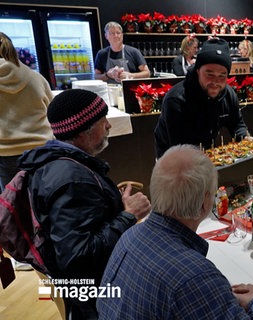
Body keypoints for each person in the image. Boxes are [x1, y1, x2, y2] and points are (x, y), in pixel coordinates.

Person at [97, 145, 253, 319]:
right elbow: (187, 287)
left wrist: (217, 296)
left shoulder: (128, 236)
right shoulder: (194, 279)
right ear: (203, 205)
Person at [18, 89, 152, 319]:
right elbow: (77, 259)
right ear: (82, 132)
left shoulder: (58, 162)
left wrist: (112, 206)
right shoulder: (72, 179)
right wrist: (128, 215)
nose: (109, 126)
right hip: (96, 299)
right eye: (103, 121)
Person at [154, 38, 253, 158]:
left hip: (203, 151)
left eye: (222, 76)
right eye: (209, 74)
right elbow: (180, 148)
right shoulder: (177, 99)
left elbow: (237, 123)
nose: (215, 82)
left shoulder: (228, 94)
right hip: (172, 156)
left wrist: (244, 137)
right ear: (197, 71)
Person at [0, 32, 53, 193]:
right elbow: (52, 111)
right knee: (45, 201)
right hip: (42, 150)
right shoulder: (35, 77)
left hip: (5, 153)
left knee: (12, 206)